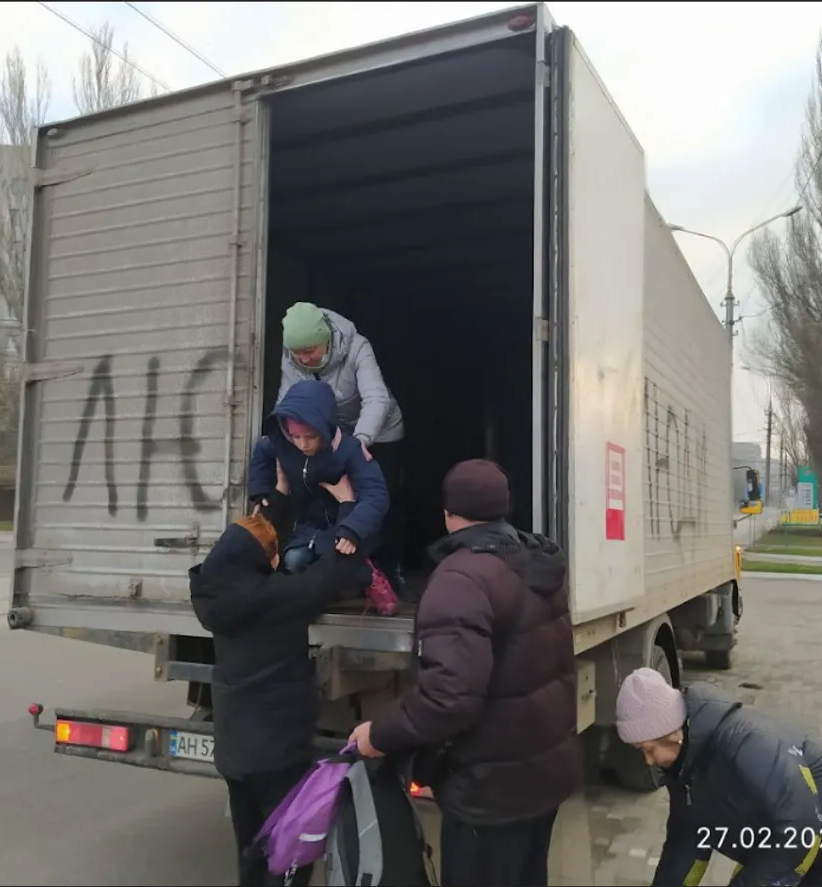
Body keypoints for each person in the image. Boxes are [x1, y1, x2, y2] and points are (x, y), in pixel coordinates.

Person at [348, 458, 581, 887]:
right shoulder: (537, 564)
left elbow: (448, 698)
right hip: (542, 776)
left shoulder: (461, 579)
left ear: (448, 513)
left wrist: (378, 734)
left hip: (491, 791)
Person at [189, 473, 366, 887]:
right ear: (262, 560)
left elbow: (251, 545)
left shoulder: (211, 592)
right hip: (278, 753)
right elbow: (335, 569)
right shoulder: (280, 597)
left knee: (251, 850)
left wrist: (279, 498)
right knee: (288, 852)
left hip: (235, 753)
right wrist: (348, 507)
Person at [615, 667, 822, 887]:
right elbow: (685, 846)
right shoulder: (686, 770)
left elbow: (800, 828)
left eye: (649, 749)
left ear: (674, 733)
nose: (647, 760)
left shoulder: (744, 742)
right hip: (807, 840)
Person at [277, 302, 407, 590]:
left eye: (310, 351)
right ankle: (341, 565)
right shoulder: (292, 357)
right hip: (333, 434)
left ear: (325, 339)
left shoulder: (357, 347)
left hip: (378, 432)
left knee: (379, 497)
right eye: (298, 353)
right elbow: (287, 400)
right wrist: (281, 440)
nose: (304, 358)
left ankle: (389, 566)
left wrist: (360, 442)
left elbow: (377, 399)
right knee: (332, 497)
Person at [248, 377, 395, 612]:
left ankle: (369, 576)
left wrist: (354, 529)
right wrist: (260, 490)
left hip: (347, 522)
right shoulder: (283, 444)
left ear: (325, 427)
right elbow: (262, 453)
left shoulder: (349, 450)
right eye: (296, 437)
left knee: (341, 558)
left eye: (310, 437)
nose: (302, 444)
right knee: (293, 561)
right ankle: (327, 591)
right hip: (307, 524)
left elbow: (376, 494)